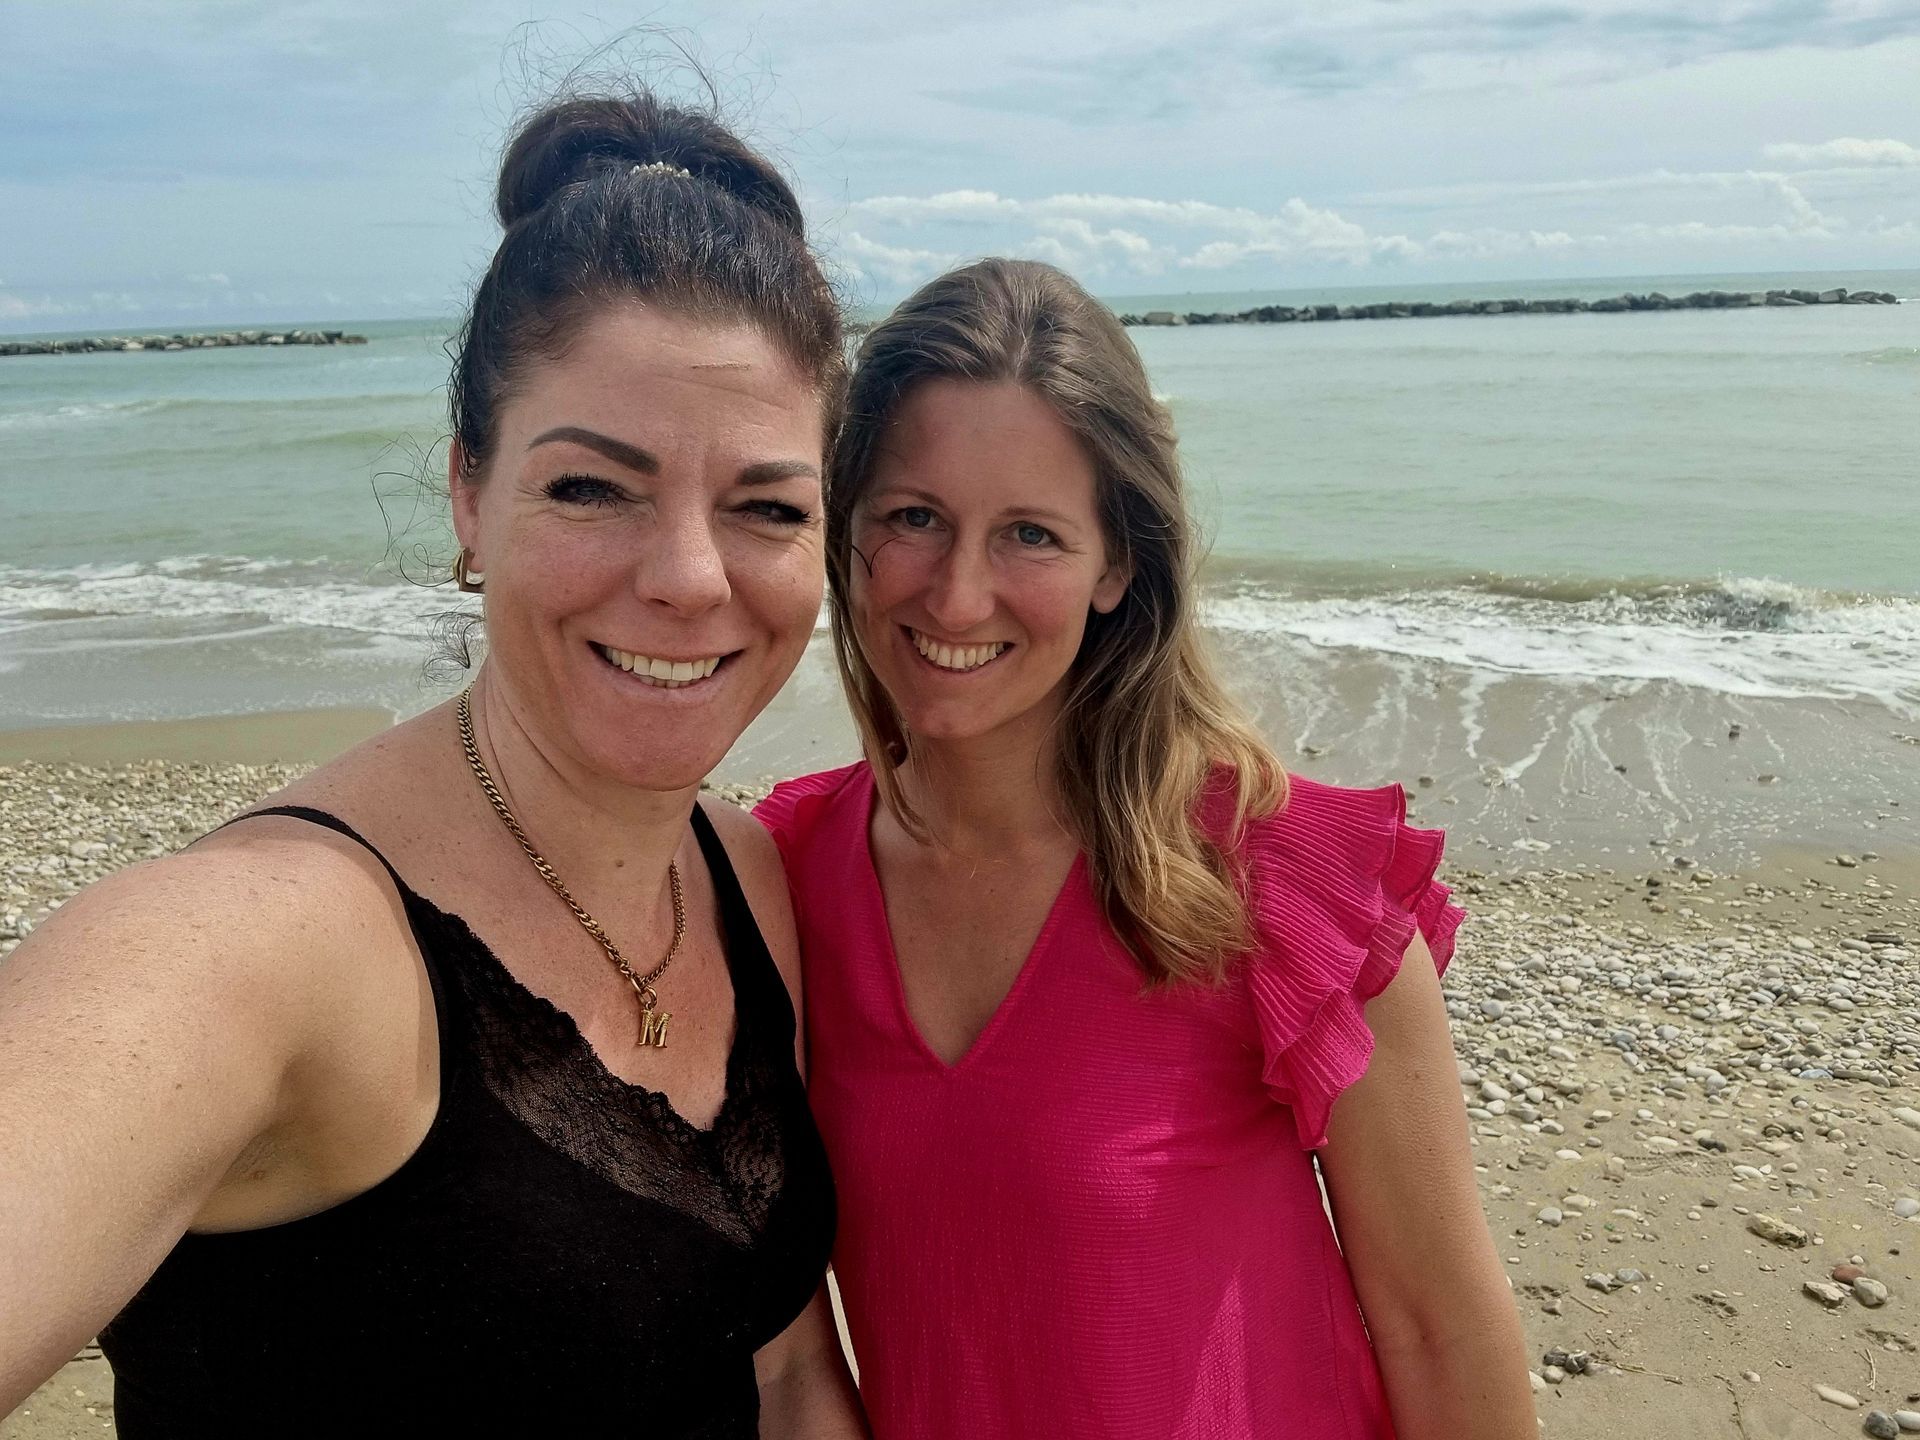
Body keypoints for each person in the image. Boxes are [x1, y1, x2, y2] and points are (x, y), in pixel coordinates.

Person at [0, 91, 866, 1437]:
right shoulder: (262, 945)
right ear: (470, 493)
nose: (692, 579)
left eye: (766, 506)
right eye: (592, 487)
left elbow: (788, 1372)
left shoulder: (740, 873)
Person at [756, 257, 1536, 1439]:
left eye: (1030, 534)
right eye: (913, 517)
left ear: (1118, 563)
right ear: (846, 527)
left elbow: (1441, 1329)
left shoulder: (1281, 876)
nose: (959, 596)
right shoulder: (781, 880)